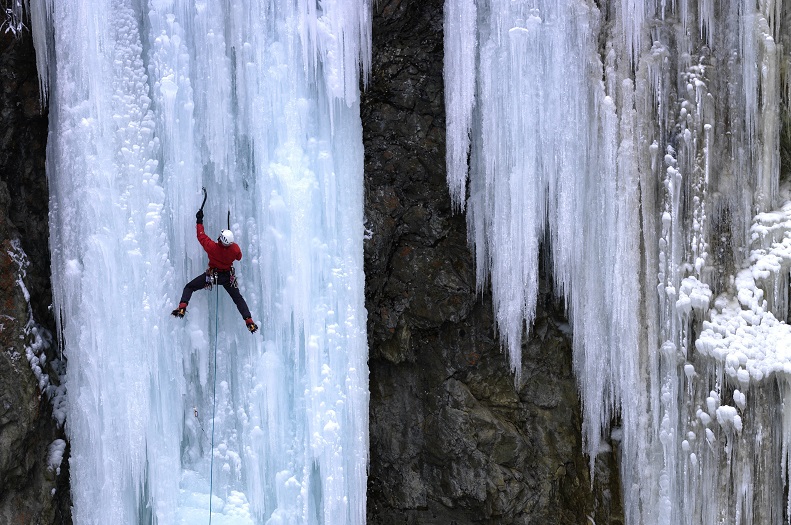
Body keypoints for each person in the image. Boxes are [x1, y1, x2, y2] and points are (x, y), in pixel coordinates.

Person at [171, 207, 258, 333]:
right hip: (227, 278)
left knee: (190, 287)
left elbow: (201, 236)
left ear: (220, 239)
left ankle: (182, 307)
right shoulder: (235, 248)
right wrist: (232, 249)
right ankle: (249, 321)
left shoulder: (212, 247)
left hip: (212, 276)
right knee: (238, 299)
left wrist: (199, 220)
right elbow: (239, 257)